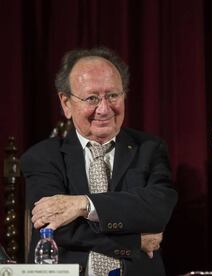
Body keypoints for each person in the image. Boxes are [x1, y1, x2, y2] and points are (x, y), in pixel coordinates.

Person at [21, 47, 177, 275]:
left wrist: (83, 204)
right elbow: (53, 226)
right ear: (66, 103)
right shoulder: (42, 157)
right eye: (92, 98)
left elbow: (158, 209)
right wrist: (134, 241)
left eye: (113, 95)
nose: (104, 109)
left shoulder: (149, 148)